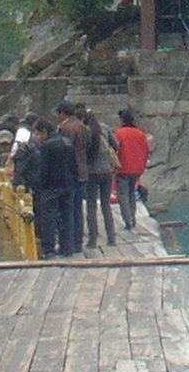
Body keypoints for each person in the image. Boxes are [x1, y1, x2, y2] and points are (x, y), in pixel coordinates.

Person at [33, 118, 76, 257]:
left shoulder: (46, 147)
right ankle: (67, 247)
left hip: (51, 187)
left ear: (44, 132)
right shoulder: (68, 142)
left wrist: (39, 185)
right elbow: (74, 165)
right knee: (67, 217)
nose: (37, 137)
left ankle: (48, 249)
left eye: (38, 133)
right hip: (68, 184)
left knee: (48, 218)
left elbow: (43, 170)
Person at [55, 100, 89, 255]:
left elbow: (64, 151)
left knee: (67, 210)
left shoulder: (66, 128)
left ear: (62, 113)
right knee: (78, 209)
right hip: (82, 171)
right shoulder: (82, 126)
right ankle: (78, 242)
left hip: (71, 172)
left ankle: (68, 243)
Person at [82, 107, 118, 249]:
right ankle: (111, 238)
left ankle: (93, 239)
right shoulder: (105, 128)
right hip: (107, 171)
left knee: (91, 206)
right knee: (105, 205)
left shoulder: (85, 131)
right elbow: (116, 145)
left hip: (92, 172)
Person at [113, 107, 150, 231]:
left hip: (123, 169)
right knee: (131, 194)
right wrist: (142, 167)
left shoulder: (119, 133)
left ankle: (128, 220)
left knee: (122, 195)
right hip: (136, 170)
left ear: (122, 120)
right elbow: (146, 152)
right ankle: (133, 219)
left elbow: (115, 151)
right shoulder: (141, 134)